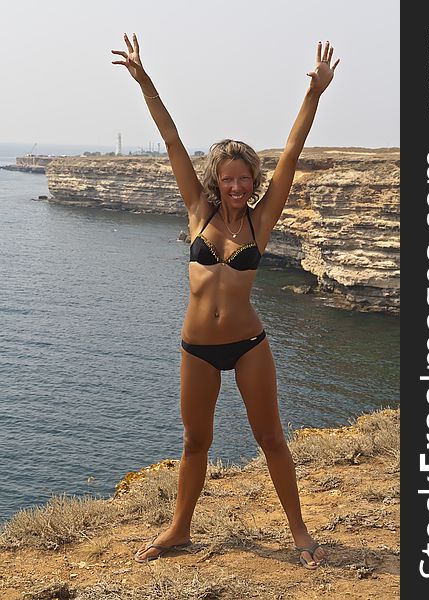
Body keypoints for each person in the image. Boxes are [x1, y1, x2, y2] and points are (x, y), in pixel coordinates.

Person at [112, 33, 339, 569]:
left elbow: (292, 152)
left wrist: (315, 95)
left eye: (244, 179)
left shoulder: (262, 221)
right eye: (228, 178)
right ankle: (179, 529)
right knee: (195, 443)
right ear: (216, 179)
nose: (236, 186)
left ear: (254, 182)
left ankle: (300, 533)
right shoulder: (199, 210)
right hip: (197, 347)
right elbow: (170, 138)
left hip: (248, 343)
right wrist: (145, 81)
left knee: (271, 439)